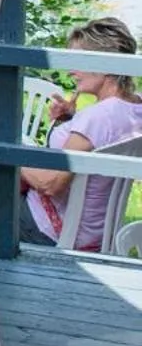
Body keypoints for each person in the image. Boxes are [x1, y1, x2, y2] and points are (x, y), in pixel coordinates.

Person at [21, 17, 142, 251]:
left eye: (78, 61)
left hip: (49, 230)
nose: (71, 71)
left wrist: (15, 156)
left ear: (105, 64)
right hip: (98, 235)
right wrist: (70, 120)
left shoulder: (97, 117)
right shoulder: (134, 109)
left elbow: (51, 184)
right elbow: (104, 134)